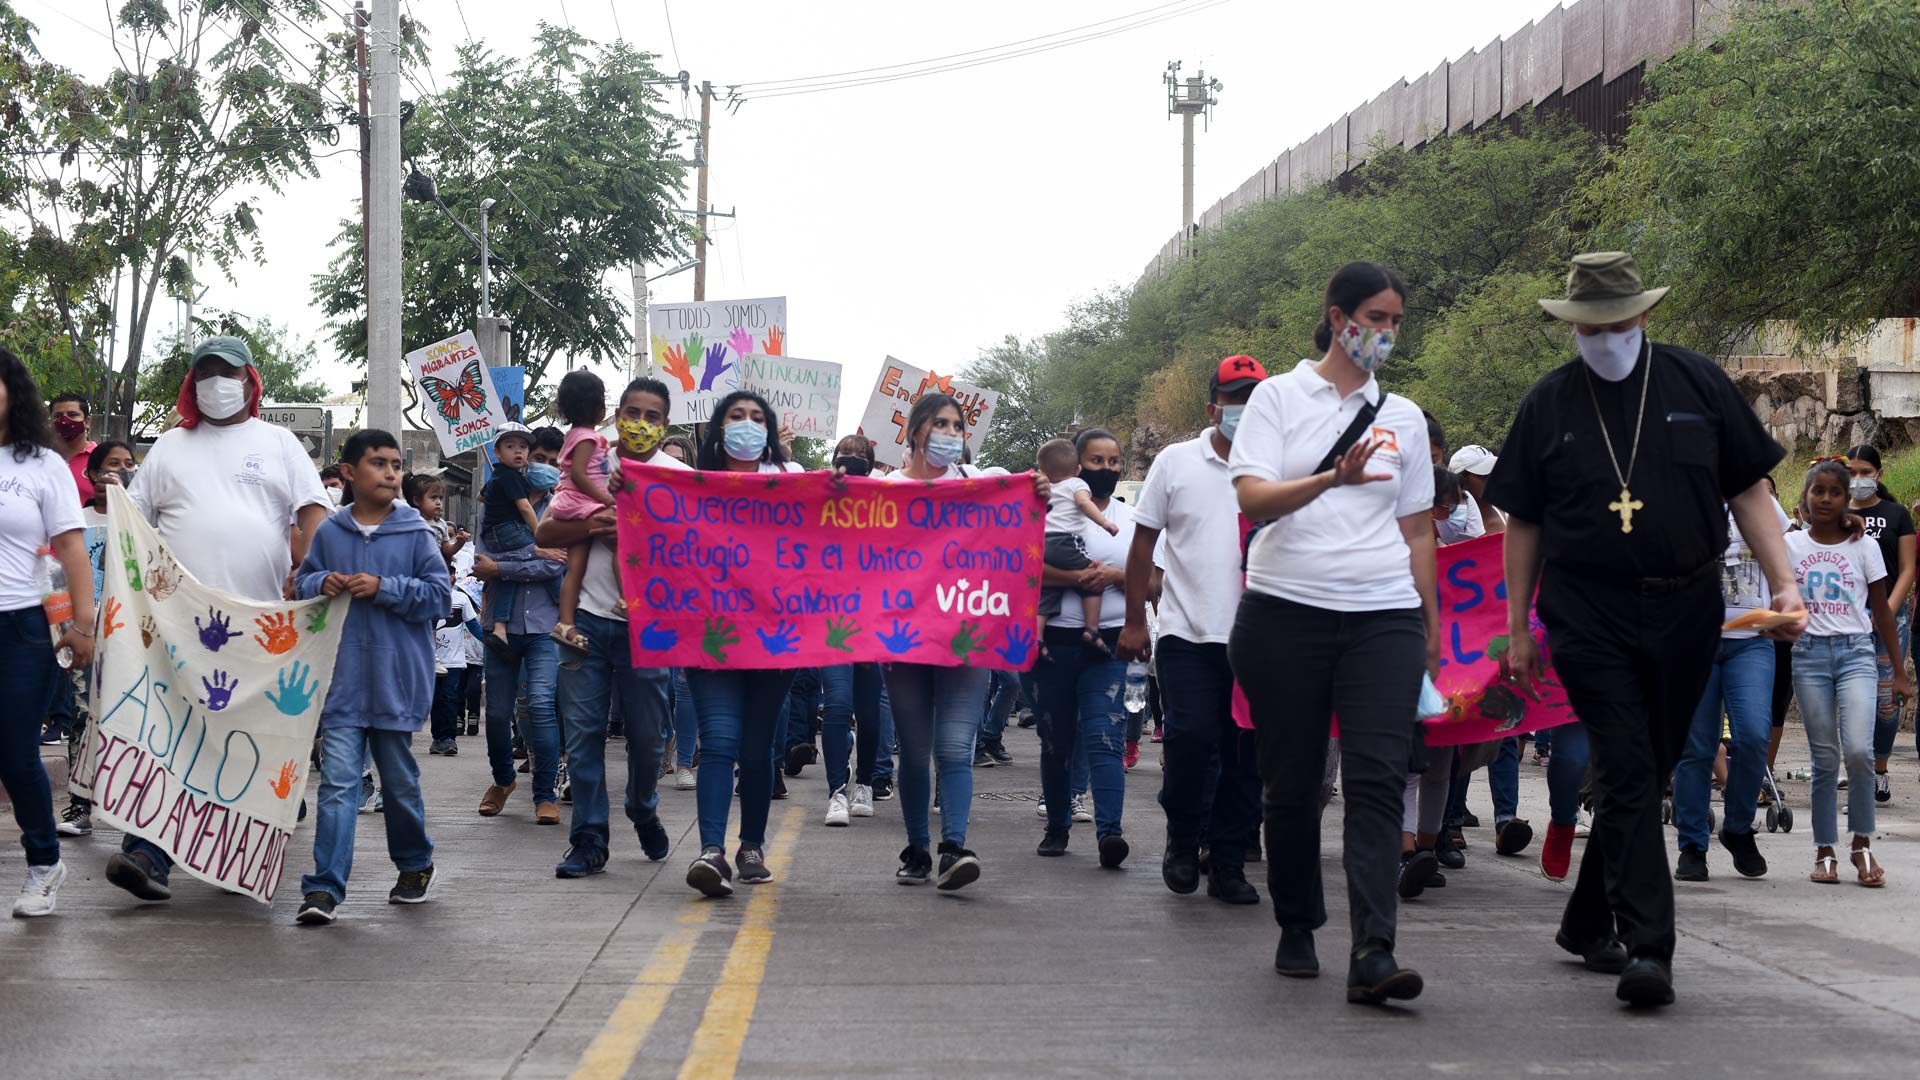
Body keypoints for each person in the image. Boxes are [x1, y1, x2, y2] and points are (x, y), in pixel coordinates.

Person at [1489, 252, 1801, 1008]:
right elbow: (1523, 522)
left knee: (1647, 769)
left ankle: (1587, 919)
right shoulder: (1549, 405)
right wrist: (1517, 627)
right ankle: (1650, 949)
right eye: (1589, 326)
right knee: (1627, 770)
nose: (1605, 336)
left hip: (1687, 606)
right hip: (1586, 611)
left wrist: (1787, 582)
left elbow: (1750, 492)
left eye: (1618, 322)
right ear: (1571, 326)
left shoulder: (1697, 383)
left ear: (1644, 316)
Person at [1227, 261, 1437, 1005]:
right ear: (1338, 315)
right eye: (1374, 318)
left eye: (1394, 322)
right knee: (1294, 786)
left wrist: (1429, 627)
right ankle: (1296, 923)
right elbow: (1253, 500)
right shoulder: (1278, 398)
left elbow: (1417, 531)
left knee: (1379, 781)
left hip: (1383, 616)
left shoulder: (1404, 416)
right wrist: (1329, 480)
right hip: (1285, 612)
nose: (1384, 333)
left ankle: (1374, 950)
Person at [105, 335, 331, 902]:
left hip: (261, 622)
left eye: (225, 372)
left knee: (246, 740)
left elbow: (313, 517)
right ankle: (146, 852)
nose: (215, 382)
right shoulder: (169, 450)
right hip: (179, 621)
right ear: (191, 384)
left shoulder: (279, 443)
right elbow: (138, 526)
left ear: (249, 380)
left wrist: (312, 569)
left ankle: (237, 851)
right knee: (174, 734)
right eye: (204, 372)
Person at [877, 392, 1048, 890]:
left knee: (954, 747)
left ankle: (953, 847)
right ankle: (916, 848)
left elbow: (1021, 530)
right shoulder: (883, 490)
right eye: (940, 425)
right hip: (904, 641)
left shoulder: (980, 487)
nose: (951, 434)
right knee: (913, 750)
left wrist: (1036, 490)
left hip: (966, 638)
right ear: (914, 433)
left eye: (958, 426)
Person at [1119, 353, 1266, 905]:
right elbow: (1141, 546)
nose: (1247, 409)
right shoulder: (1176, 463)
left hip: (1258, 642)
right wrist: (1136, 620)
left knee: (1246, 756)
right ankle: (1183, 839)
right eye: (1237, 399)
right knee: (1191, 740)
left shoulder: (1281, 469)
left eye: (1257, 397)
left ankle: (1227, 861)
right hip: (1187, 635)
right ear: (1214, 407)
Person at [291, 429, 450, 924]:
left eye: (395, 465)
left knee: (399, 783)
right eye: (378, 463)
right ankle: (323, 889)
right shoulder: (332, 532)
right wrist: (324, 580)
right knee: (337, 783)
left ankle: (415, 864)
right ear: (348, 473)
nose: (390, 473)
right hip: (339, 681)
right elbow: (303, 583)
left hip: (397, 679)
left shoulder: (417, 532)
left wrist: (386, 587)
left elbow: (438, 597)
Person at [535, 377, 680, 877]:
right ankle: (589, 839)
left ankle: (642, 806)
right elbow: (547, 530)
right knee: (583, 735)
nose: (641, 423)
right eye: (632, 412)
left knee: (647, 736)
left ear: (666, 424)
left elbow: (694, 556)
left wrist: (642, 532)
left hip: (648, 629)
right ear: (614, 414)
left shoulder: (679, 477)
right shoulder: (593, 458)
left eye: (652, 416)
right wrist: (599, 525)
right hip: (587, 628)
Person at [681, 391, 804, 897]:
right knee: (721, 739)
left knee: (757, 751)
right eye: (737, 416)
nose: (747, 425)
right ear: (718, 427)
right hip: (709, 635)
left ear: (770, 430)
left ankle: (750, 846)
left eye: (757, 418)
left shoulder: (794, 482)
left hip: (776, 638)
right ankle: (711, 850)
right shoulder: (688, 485)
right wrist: (626, 482)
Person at [0, 349, 97, 917]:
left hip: (24, 627)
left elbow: (69, 550)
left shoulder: (41, 466)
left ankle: (43, 864)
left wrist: (81, 625)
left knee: (14, 753)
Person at [1788, 458, 1905, 887]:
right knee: (1824, 758)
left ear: (1845, 500)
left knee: (1859, 751)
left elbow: (1881, 612)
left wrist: (1898, 671)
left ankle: (1861, 843)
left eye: (1835, 492)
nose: (1826, 498)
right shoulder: (1791, 546)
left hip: (1857, 653)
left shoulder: (1865, 546)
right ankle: (1824, 850)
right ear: (1805, 498)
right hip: (1810, 656)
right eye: (1818, 491)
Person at [1674, 484, 1792, 883]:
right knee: (1697, 747)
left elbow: (1794, 547)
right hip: (1693, 643)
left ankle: (1738, 828)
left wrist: (1847, 525)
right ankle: (1692, 846)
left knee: (1755, 735)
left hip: (1752, 642)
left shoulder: (1760, 502)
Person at [1034, 428, 1135, 869]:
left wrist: (1114, 578)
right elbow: (1021, 567)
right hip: (1052, 645)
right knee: (1057, 741)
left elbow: (1154, 581)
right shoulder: (1044, 509)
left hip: (1108, 644)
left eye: (1114, 462)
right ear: (1077, 465)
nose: (1107, 470)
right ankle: (1057, 826)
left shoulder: (1132, 521)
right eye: (1097, 461)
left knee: (1103, 738)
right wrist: (1076, 578)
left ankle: (1110, 833)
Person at [54, 439, 136, 837]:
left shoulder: (142, 522)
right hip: (86, 633)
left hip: (131, 637)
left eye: (126, 464)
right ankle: (79, 806)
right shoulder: (77, 521)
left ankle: (133, 808)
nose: (117, 471)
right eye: (109, 464)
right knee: (83, 715)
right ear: (91, 474)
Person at [1843, 445, 1914, 802]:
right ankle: (1859, 772)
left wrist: (1885, 611)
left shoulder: (1896, 514)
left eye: (1865, 472)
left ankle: (1880, 771)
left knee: (1887, 705)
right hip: (1845, 621)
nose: (1858, 480)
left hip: (1890, 621)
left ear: (1879, 475)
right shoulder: (1834, 513)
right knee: (1853, 701)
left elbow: (1907, 570)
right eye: (1851, 472)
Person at [547, 370, 617, 653]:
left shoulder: (580, 435)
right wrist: (606, 500)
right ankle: (625, 599)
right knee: (619, 535)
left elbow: (590, 459)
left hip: (570, 502)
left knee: (575, 569)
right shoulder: (586, 438)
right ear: (600, 408)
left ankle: (565, 623)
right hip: (580, 503)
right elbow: (580, 474)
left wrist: (614, 445)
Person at [1035, 437, 1116, 652]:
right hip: (1067, 541)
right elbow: (1083, 503)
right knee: (1093, 577)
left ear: (1043, 470)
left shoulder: (1043, 490)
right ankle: (1091, 629)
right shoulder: (1076, 484)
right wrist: (1105, 522)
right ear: (1079, 468)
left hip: (1042, 544)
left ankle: (1037, 638)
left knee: (1045, 593)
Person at [480, 423, 548, 649]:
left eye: (523, 446)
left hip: (495, 535)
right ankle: (566, 614)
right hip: (509, 531)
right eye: (510, 446)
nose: (518, 451)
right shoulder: (510, 477)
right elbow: (526, 509)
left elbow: (482, 497)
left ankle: (500, 626)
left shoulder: (498, 477)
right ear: (497, 453)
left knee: (510, 572)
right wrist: (541, 538)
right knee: (548, 558)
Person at [48, 392, 96, 509]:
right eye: (58, 416)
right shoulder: (40, 459)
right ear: (50, 421)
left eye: (72, 414)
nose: (64, 420)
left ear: (87, 422)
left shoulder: (102, 459)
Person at [1447, 444, 1506, 534]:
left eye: (1493, 473)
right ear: (1462, 482)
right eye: (1483, 476)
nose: (1491, 480)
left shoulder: (1510, 516)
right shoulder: (1448, 530)